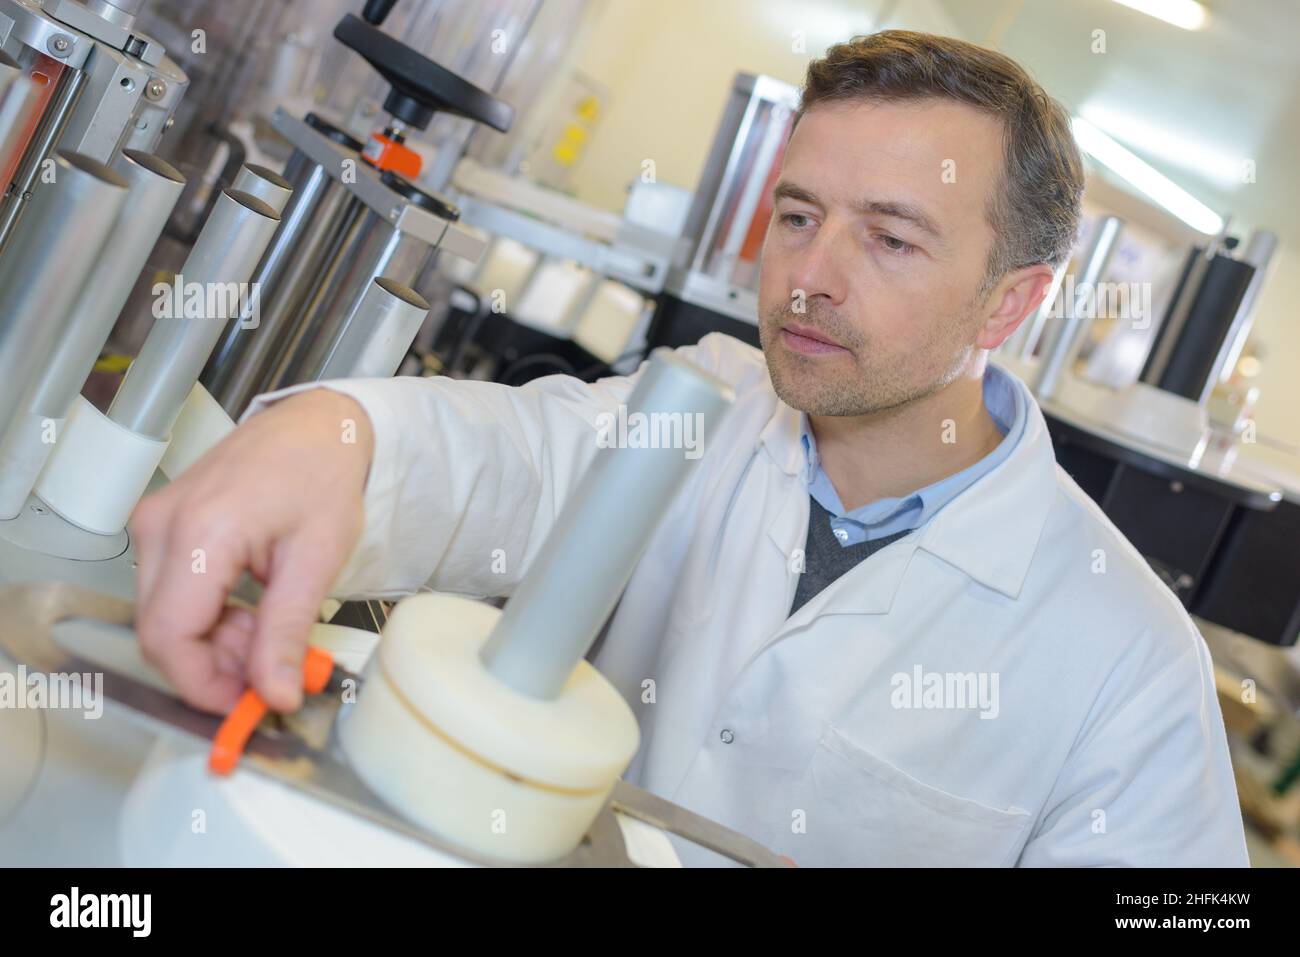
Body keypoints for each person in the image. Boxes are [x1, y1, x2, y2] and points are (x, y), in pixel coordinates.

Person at [130, 31, 1248, 866]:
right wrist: (333, 435)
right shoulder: (709, 402)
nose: (809, 274)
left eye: (891, 237)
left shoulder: (1131, 664)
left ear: (1008, 306)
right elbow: (503, 463)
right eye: (799, 216)